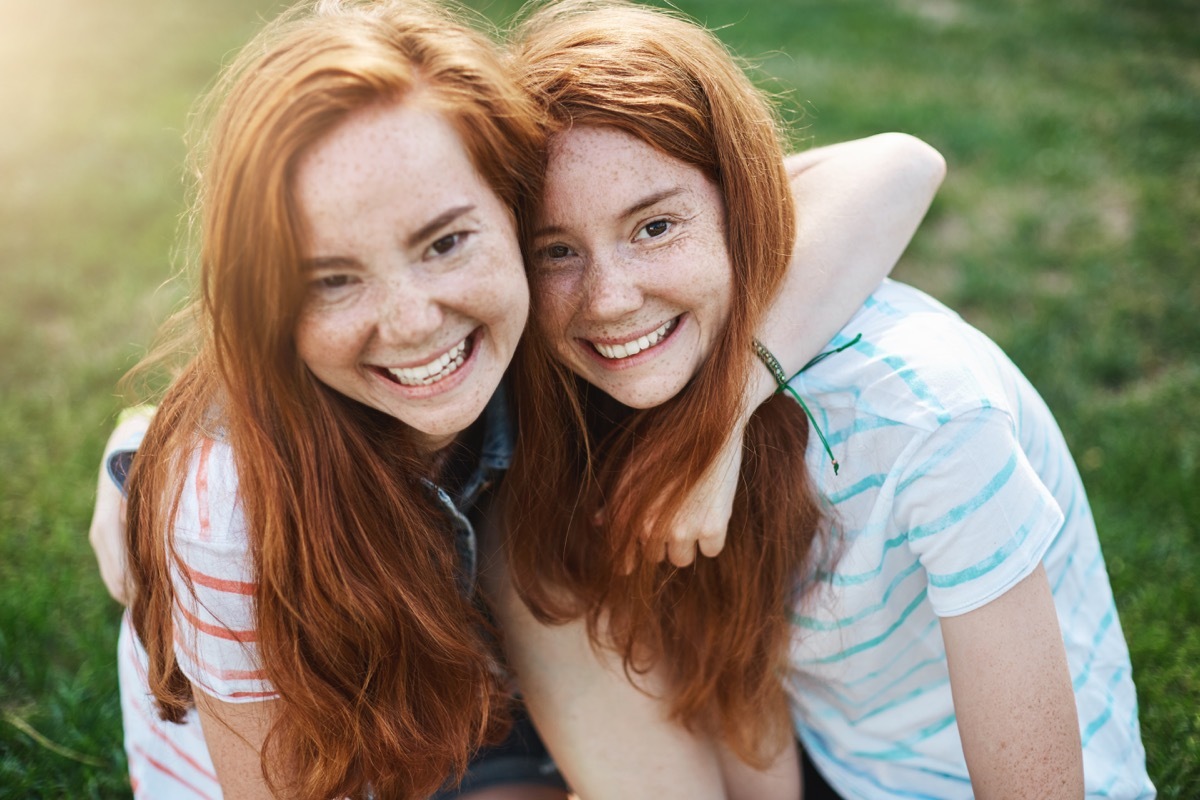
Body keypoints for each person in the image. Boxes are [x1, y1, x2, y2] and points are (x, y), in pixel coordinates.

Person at [88, 0, 947, 797]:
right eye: (334, 279)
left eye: (445, 243)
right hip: (345, 753)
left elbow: (895, 167)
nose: (413, 322)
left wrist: (726, 414)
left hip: (505, 689)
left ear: (517, 207)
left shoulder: (561, 289)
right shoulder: (228, 510)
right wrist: (150, 464)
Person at [492, 2, 1156, 799]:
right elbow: (737, 682)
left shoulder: (921, 415)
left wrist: (718, 422)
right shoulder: (611, 393)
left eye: (656, 227)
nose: (608, 299)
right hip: (832, 763)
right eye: (556, 251)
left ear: (743, 206)